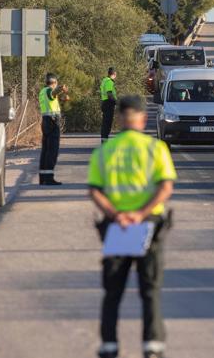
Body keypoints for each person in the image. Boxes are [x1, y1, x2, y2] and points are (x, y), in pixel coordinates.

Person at [88, 95, 177, 358]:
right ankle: (152, 347)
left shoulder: (106, 151)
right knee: (150, 290)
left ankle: (109, 346)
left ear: (119, 119)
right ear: (143, 118)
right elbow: (165, 187)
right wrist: (140, 214)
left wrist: (118, 215)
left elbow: (95, 191)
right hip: (148, 225)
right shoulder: (155, 148)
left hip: (119, 226)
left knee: (113, 290)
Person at [38, 73, 68, 185]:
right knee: (52, 150)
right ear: (54, 82)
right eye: (57, 84)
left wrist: (63, 98)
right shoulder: (49, 91)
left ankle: (43, 177)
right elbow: (53, 92)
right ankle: (49, 178)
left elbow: (52, 98)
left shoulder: (42, 91)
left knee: (45, 150)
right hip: (52, 122)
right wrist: (61, 89)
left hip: (46, 121)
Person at [100, 68, 118, 143]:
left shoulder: (104, 80)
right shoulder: (109, 82)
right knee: (107, 124)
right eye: (115, 75)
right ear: (114, 74)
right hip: (108, 104)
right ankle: (104, 142)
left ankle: (104, 141)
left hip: (105, 103)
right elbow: (109, 94)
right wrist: (116, 102)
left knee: (105, 124)